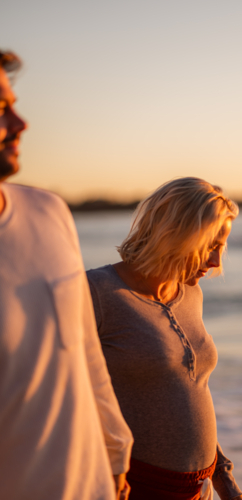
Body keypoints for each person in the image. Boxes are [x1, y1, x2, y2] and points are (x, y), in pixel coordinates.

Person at [0, 50, 133, 500]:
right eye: (1, 110)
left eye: (13, 104)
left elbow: (82, 347)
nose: (21, 124)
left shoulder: (48, 211)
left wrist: (117, 449)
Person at [87, 177, 242, 500]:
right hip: (133, 487)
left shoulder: (190, 294)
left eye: (221, 248)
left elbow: (189, 387)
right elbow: (65, 395)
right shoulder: (97, 292)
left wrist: (221, 474)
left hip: (200, 491)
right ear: (176, 235)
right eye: (209, 247)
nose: (216, 262)